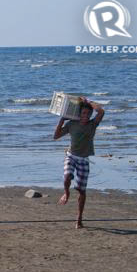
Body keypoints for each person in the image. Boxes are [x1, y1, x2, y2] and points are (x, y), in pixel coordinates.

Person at [53, 97, 105, 229]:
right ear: (79, 114)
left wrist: (88, 102)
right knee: (67, 176)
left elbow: (101, 112)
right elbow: (56, 136)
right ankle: (66, 193)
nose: (85, 116)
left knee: (81, 191)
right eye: (83, 113)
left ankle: (79, 218)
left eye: (88, 114)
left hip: (84, 160)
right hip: (71, 156)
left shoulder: (93, 124)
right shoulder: (72, 124)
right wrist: (61, 120)